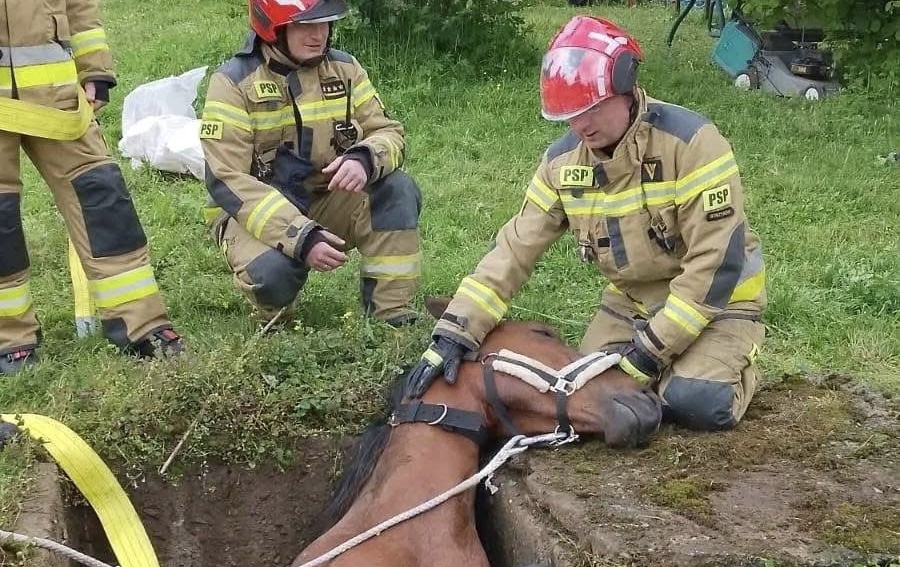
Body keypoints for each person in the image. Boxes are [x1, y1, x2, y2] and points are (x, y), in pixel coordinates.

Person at [407, 15, 766, 431]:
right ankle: (675, 367)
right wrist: (455, 330)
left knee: (695, 402)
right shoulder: (562, 164)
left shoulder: (692, 144)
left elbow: (714, 264)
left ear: (627, 89)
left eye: (592, 108)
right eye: (571, 113)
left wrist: (649, 354)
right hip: (633, 306)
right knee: (588, 397)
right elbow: (514, 249)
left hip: (720, 304)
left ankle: (736, 360)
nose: (581, 126)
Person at [200, 0, 422, 328]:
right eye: (305, 25)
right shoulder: (232, 83)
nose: (319, 34)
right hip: (250, 213)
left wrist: (364, 158)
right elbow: (227, 179)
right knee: (271, 274)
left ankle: (390, 315)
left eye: (325, 23)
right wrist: (301, 237)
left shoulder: (345, 69)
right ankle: (275, 320)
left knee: (397, 189)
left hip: (326, 196)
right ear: (273, 29)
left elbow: (388, 132)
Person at [0, 0, 185, 376]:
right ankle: (10, 339)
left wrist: (95, 68)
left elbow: (79, 5)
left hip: (58, 96)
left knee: (103, 198)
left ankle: (141, 324)